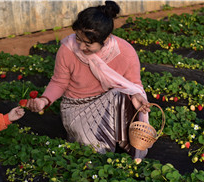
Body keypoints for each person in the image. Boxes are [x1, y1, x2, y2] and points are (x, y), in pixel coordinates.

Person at [27, 1, 150, 161]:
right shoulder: (67, 49)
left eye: (88, 43)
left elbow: (133, 85)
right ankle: (102, 146)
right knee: (94, 153)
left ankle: (126, 149)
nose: (81, 46)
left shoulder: (125, 52)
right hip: (77, 108)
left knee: (120, 94)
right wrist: (44, 100)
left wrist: (137, 96)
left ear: (105, 40)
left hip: (109, 106)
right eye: (78, 38)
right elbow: (59, 82)